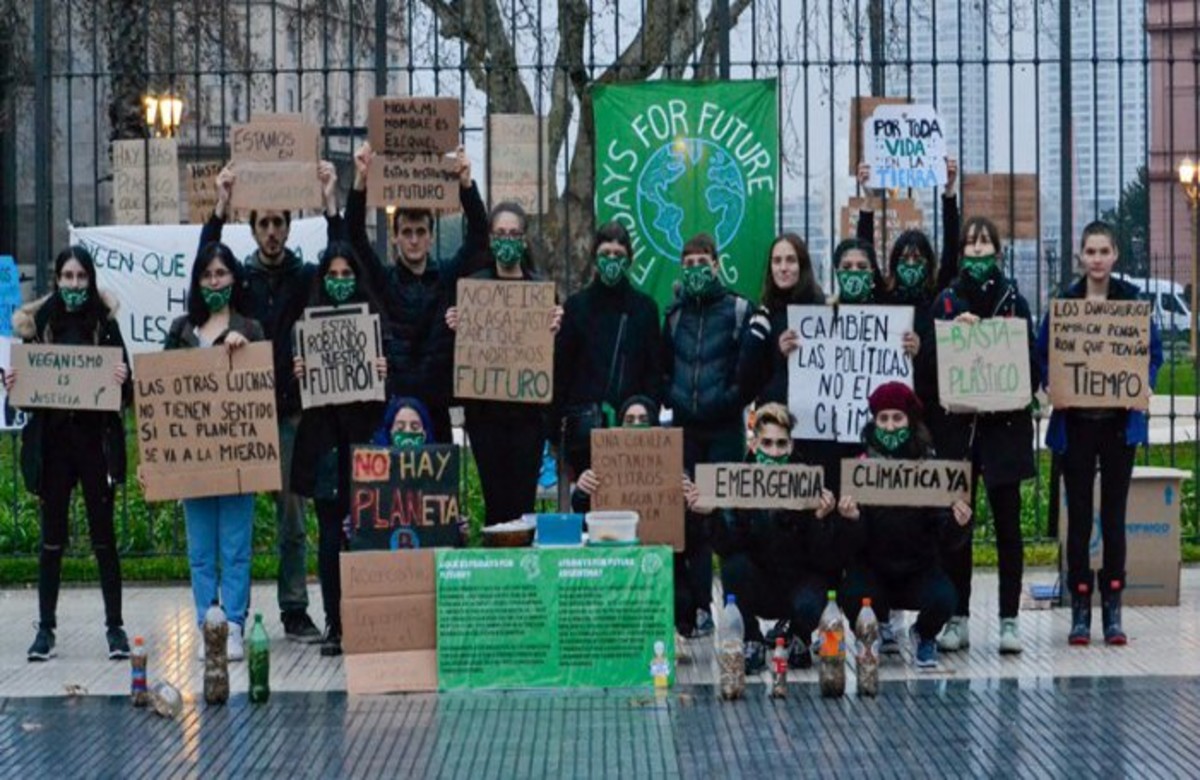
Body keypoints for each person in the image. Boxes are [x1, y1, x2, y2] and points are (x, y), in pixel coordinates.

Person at [199, 161, 344, 643]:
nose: (272, 232)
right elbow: (206, 268)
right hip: (243, 412)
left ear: (288, 225)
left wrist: (330, 205)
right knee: (228, 522)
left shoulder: (305, 277)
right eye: (263, 223)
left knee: (292, 520)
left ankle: (294, 609)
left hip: (290, 412)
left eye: (279, 222)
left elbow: (343, 259)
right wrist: (219, 207)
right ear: (253, 227)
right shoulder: (241, 280)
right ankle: (222, 613)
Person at [1036, 221, 1163, 646]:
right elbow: (1043, 352)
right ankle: (1079, 609)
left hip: (1117, 425)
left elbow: (1153, 353)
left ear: (1114, 256)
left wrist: (1144, 381)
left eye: (1103, 251)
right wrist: (1049, 384)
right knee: (1077, 521)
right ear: (1081, 257)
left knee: (1113, 517)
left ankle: (1112, 610)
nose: (1096, 259)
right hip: (1076, 425)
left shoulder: (1132, 302)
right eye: (1089, 252)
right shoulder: (1065, 304)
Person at [8, 247, 132, 662]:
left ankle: (115, 628)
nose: (75, 285)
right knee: (51, 540)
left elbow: (125, 394)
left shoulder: (105, 324)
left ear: (90, 279)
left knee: (104, 540)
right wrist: (14, 383)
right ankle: (46, 629)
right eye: (67, 277)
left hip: (96, 446)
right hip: (54, 448)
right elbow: (25, 399)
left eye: (81, 277)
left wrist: (122, 378)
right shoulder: (39, 324)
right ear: (56, 279)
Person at [932, 217, 1039, 655]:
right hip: (961, 433)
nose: (978, 261)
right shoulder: (946, 302)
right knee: (959, 526)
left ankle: (1009, 619)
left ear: (999, 254)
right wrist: (957, 333)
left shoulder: (1014, 300)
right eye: (971, 254)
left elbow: (1030, 364)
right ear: (961, 257)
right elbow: (930, 367)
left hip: (1005, 431)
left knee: (1008, 528)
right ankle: (958, 616)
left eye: (985, 252)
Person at [163, 241, 264, 662]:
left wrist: (245, 348)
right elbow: (163, 390)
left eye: (221, 273)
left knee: (236, 547)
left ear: (234, 278)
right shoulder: (181, 329)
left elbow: (264, 385)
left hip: (238, 457)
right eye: (207, 275)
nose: (214, 281)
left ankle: (235, 624)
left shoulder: (251, 328)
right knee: (201, 551)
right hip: (195, 462)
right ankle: (209, 625)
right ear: (197, 282)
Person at [346, 142, 486, 442]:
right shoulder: (384, 281)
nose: (413, 240)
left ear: (430, 236)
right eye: (406, 232)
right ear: (395, 237)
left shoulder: (447, 277)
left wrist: (466, 186)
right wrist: (360, 182)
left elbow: (478, 237)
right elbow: (355, 237)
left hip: (436, 407)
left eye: (420, 232)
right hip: (394, 406)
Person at [291, 240, 389, 658]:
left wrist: (384, 373)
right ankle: (335, 621)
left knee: (366, 535)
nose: (339, 281)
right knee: (331, 538)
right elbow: (292, 396)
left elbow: (386, 396)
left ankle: (368, 621)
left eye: (347, 274)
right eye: (332, 275)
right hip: (325, 447)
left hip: (362, 443)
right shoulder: (304, 327)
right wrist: (298, 373)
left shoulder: (374, 323)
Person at [707, 404, 853, 673]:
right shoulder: (738, 484)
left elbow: (827, 558)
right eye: (767, 443)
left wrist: (822, 520)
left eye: (781, 444)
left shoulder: (810, 484)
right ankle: (751, 639)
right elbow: (726, 546)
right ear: (754, 445)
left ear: (791, 446)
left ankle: (799, 635)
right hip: (760, 583)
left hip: (799, 586)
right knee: (733, 568)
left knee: (820, 587)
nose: (774, 452)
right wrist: (712, 515)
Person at [444, 202, 563, 526]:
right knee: (495, 503)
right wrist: (457, 325)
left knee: (524, 506)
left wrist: (555, 326)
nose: (507, 240)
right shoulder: (474, 288)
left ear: (524, 240)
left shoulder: (540, 291)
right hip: (486, 419)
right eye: (500, 233)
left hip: (527, 420)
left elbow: (553, 358)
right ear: (491, 239)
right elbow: (460, 355)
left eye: (514, 234)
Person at [839, 381, 972, 670]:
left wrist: (958, 524)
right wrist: (852, 520)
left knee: (945, 598)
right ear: (874, 422)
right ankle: (874, 629)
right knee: (850, 593)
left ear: (909, 421)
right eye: (883, 418)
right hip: (873, 570)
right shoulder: (859, 468)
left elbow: (944, 534)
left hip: (917, 569)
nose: (889, 426)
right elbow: (850, 544)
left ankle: (924, 635)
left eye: (897, 418)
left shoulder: (929, 467)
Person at [661, 232, 755, 638]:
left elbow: (749, 369)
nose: (696, 269)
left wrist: (730, 400)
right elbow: (663, 365)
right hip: (686, 428)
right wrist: (674, 396)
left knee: (727, 517)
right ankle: (699, 609)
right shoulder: (675, 314)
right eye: (689, 263)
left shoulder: (738, 308)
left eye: (703, 262)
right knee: (690, 518)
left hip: (724, 428)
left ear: (716, 264)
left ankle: (736, 610)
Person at [554, 221, 662, 476]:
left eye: (618, 255)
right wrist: (556, 436)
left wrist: (646, 414)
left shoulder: (645, 309)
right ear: (594, 258)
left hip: (632, 432)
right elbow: (561, 371)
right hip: (585, 433)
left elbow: (654, 371)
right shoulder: (576, 306)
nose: (612, 260)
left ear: (629, 260)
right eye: (605, 254)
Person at [856, 157, 960, 413]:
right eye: (904, 259)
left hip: (930, 402)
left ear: (928, 263)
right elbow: (865, 250)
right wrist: (868, 201)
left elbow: (951, 251)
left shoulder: (937, 297)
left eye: (917, 259)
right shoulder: (885, 297)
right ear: (893, 263)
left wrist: (949, 193)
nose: (911, 265)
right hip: (891, 407)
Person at [738, 232, 825, 406]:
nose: (783, 268)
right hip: (775, 418)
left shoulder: (822, 310)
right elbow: (747, 379)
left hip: (814, 415)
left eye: (791, 260)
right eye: (777, 261)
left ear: (803, 265)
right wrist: (778, 353)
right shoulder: (762, 316)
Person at [571, 395, 661, 512]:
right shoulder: (604, 462)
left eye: (643, 420)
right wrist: (582, 491)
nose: (636, 425)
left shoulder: (671, 466)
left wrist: (687, 498)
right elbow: (582, 510)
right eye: (629, 420)